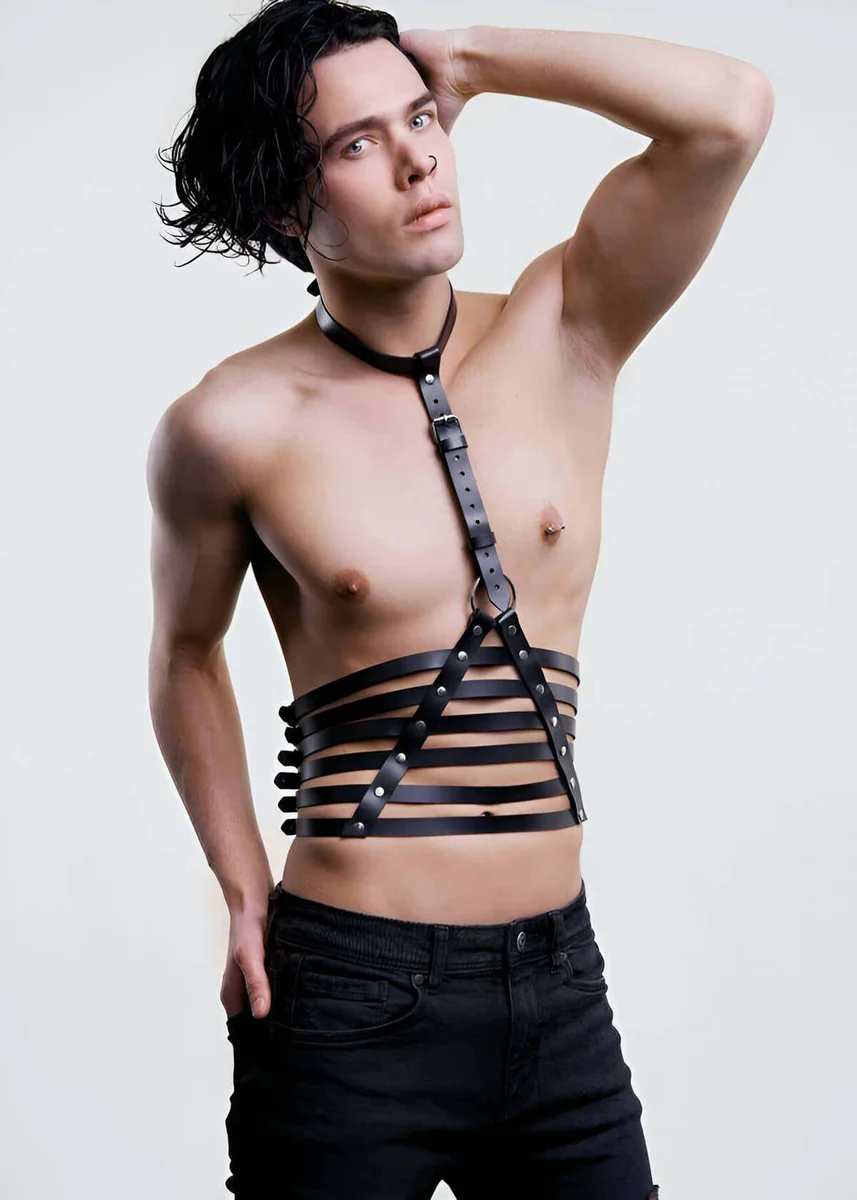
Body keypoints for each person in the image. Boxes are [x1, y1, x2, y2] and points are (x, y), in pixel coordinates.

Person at [148, 2, 773, 1195]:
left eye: (420, 119)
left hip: (559, 987)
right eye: (356, 143)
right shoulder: (229, 425)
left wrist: (472, 59)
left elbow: (728, 113)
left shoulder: (569, 323)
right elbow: (183, 652)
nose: (418, 160)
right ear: (284, 208)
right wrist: (241, 891)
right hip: (347, 996)